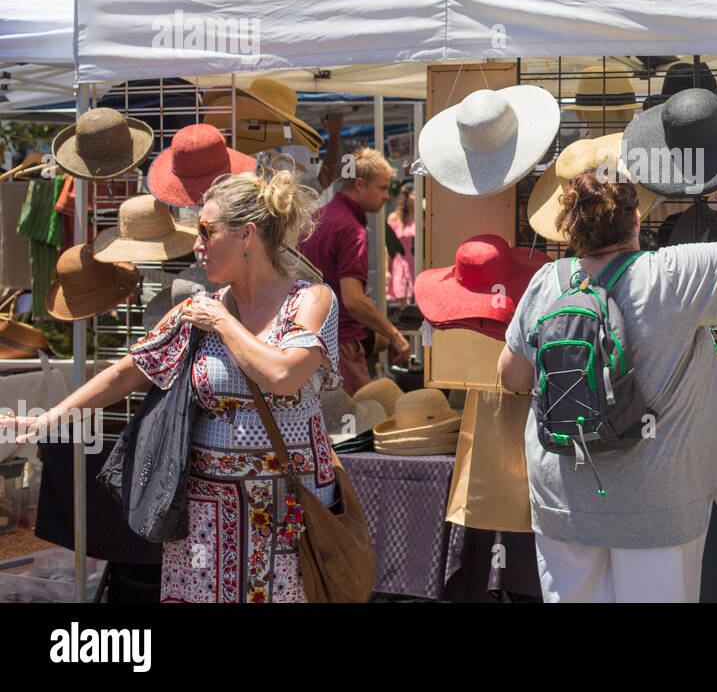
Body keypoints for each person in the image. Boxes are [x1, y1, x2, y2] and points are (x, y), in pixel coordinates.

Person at [497, 119, 717, 602]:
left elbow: (512, 376)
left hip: (565, 495)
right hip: (658, 500)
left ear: (568, 227)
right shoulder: (671, 274)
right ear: (635, 220)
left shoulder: (548, 282)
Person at [2, 171, 339, 602]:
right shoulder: (197, 311)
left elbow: (282, 374)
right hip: (203, 509)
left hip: (286, 509)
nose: (197, 245)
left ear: (247, 235)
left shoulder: (311, 300)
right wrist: (50, 417)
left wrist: (222, 322)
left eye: (206, 231)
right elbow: (129, 370)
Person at [299, 146, 410, 394]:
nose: (385, 195)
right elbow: (353, 300)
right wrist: (394, 334)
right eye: (382, 188)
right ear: (359, 184)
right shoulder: (351, 229)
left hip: (307, 339)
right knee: (357, 425)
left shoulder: (319, 217)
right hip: (341, 345)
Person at [387, 182, 416, 306]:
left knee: (416, 296)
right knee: (400, 296)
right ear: (407, 196)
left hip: (415, 261)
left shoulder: (420, 216)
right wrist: (385, 270)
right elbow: (388, 246)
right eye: (414, 194)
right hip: (398, 262)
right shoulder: (394, 218)